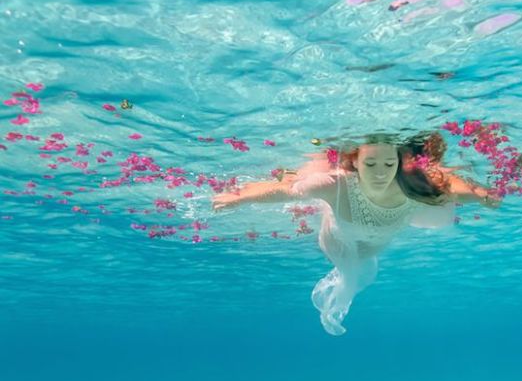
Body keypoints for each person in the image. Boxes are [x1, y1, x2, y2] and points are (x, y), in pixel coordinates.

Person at [212, 132, 501, 335]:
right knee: (348, 266)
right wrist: (240, 198)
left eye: (388, 164)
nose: (379, 172)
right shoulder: (336, 183)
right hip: (337, 241)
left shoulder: (412, 186)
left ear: (399, 163)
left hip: (376, 243)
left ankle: (351, 270)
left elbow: (454, 189)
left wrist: (483, 195)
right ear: (356, 163)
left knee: (363, 260)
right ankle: (341, 260)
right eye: (370, 164)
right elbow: (285, 191)